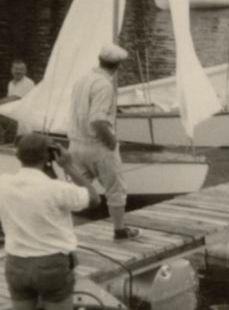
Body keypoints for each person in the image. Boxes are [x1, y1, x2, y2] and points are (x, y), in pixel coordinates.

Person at [0, 133, 100, 310]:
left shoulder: (3, 183)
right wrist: (68, 166)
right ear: (48, 155)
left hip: (16, 263)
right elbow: (94, 198)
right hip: (51, 263)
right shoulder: (57, 188)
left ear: (18, 154)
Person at [67, 44, 139, 241]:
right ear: (118, 66)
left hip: (75, 143)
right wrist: (111, 141)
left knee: (76, 189)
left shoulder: (81, 80)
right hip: (97, 146)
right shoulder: (104, 85)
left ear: (100, 60)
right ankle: (119, 230)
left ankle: (63, 228)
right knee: (115, 189)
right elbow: (97, 120)